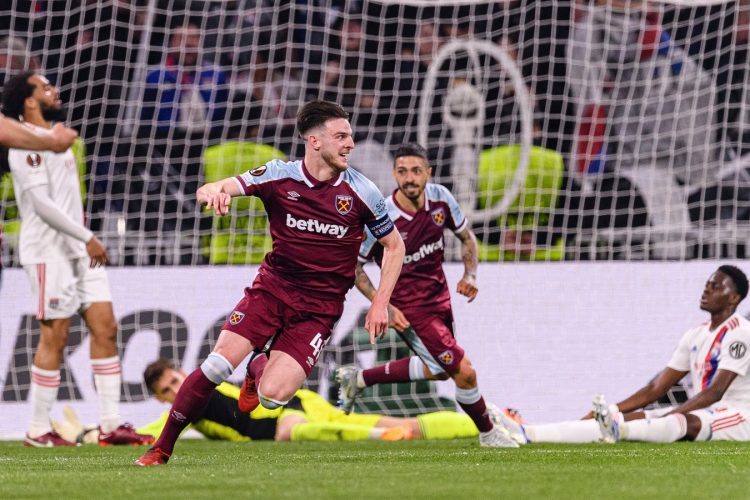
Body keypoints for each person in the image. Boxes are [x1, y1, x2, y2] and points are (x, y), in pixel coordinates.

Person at [135, 100, 405, 466]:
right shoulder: (279, 175)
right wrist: (213, 192)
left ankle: (257, 364)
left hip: (319, 309)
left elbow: (394, 245)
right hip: (272, 291)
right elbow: (214, 187)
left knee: (271, 398)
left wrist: (378, 302)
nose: (350, 144)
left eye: (350, 136)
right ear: (314, 141)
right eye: (341, 136)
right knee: (215, 366)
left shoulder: (362, 192)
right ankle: (161, 449)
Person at [2, 71, 153, 447]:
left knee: (107, 328)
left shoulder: (60, 137)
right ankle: (37, 430)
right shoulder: (25, 142)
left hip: (77, 249)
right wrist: (87, 237)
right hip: (48, 250)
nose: (56, 91)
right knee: (56, 335)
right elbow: (40, 204)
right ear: (30, 101)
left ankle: (110, 425)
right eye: (46, 87)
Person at [336, 143, 518, 448]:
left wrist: (470, 275)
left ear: (428, 173)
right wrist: (386, 306)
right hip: (412, 311)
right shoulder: (382, 215)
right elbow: (354, 268)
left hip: (440, 300)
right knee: (465, 372)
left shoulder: (441, 198)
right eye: (403, 171)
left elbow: (467, 236)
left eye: (416, 171)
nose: (409, 178)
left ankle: (359, 379)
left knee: (439, 370)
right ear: (394, 173)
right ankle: (489, 433)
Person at [495, 265, 750, 445]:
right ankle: (528, 432)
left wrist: (672, 415)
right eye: (706, 284)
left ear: (734, 298)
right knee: (632, 418)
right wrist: (612, 409)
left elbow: (714, 393)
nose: (706, 290)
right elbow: (655, 388)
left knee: (683, 422)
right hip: (704, 410)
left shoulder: (741, 333)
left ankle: (619, 430)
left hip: (738, 415)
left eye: (715, 287)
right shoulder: (695, 334)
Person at [132, 358, 479, 443]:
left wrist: (120, 434)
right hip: (298, 407)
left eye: (176, 381)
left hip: (290, 408)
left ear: (183, 373)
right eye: (168, 391)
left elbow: (158, 430)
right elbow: (160, 428)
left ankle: (378, 438)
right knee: (405, 427)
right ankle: (486, 419)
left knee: (289, 433)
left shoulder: (202, 388)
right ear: (161, 398)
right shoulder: (186, 409)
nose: (177, 391)